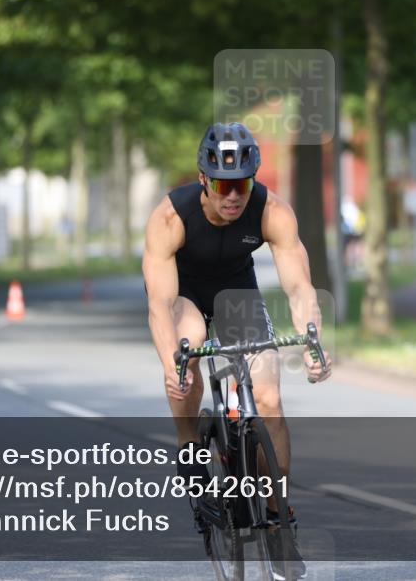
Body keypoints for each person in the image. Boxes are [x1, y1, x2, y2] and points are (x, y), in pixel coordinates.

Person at [142, 122, 331, 578]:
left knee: (268, 401)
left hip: (237, 293)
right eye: (223, 185)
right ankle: (190, 446)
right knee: (187, 354)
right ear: (204, 179)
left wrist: (312, 339)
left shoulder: (272, 211)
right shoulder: (171, 217)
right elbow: (159, 303)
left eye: (242, 184)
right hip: (184, 295)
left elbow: (300, 285)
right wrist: (173, 363)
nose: (233, 196)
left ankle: (278, 521)